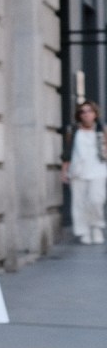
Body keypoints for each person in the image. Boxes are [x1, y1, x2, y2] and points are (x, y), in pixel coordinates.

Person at [61, 100, 106, 244]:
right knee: (79, 202)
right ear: (79, 115)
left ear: (95, 114)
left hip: (98, 169)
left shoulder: (102, 129)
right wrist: (64, 170)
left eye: (89, 111)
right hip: (78, 170)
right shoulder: (73, 130)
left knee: (96, 200)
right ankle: (83, 230)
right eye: (83, 111)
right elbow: (67, 152)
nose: (86, 114)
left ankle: (96, 227)